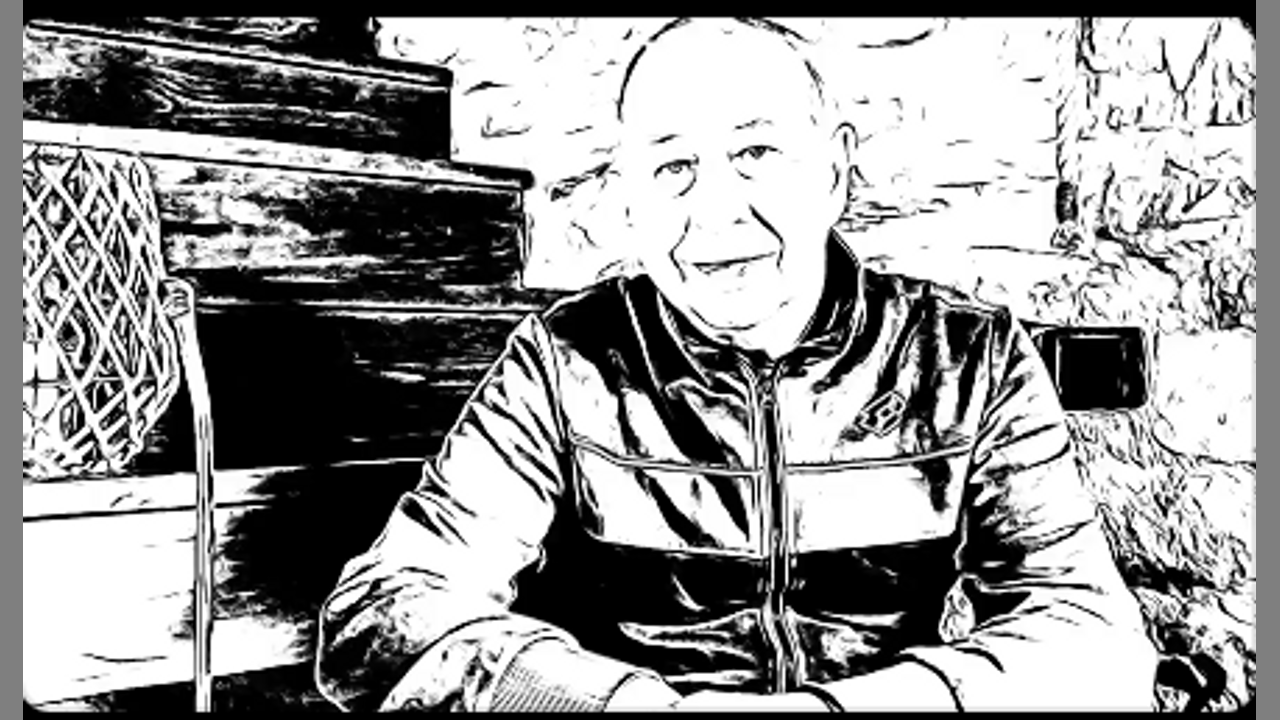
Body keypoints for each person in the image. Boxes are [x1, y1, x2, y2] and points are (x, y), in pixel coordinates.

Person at [314, 17, 1158, 712]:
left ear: (835, 172)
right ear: (629, 198)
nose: (715, 209)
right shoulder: (563, 362)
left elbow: (1091, 637)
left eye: (756, 155)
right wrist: (627, 709)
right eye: (673, 167)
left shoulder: (968, 357)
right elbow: (384, 613)